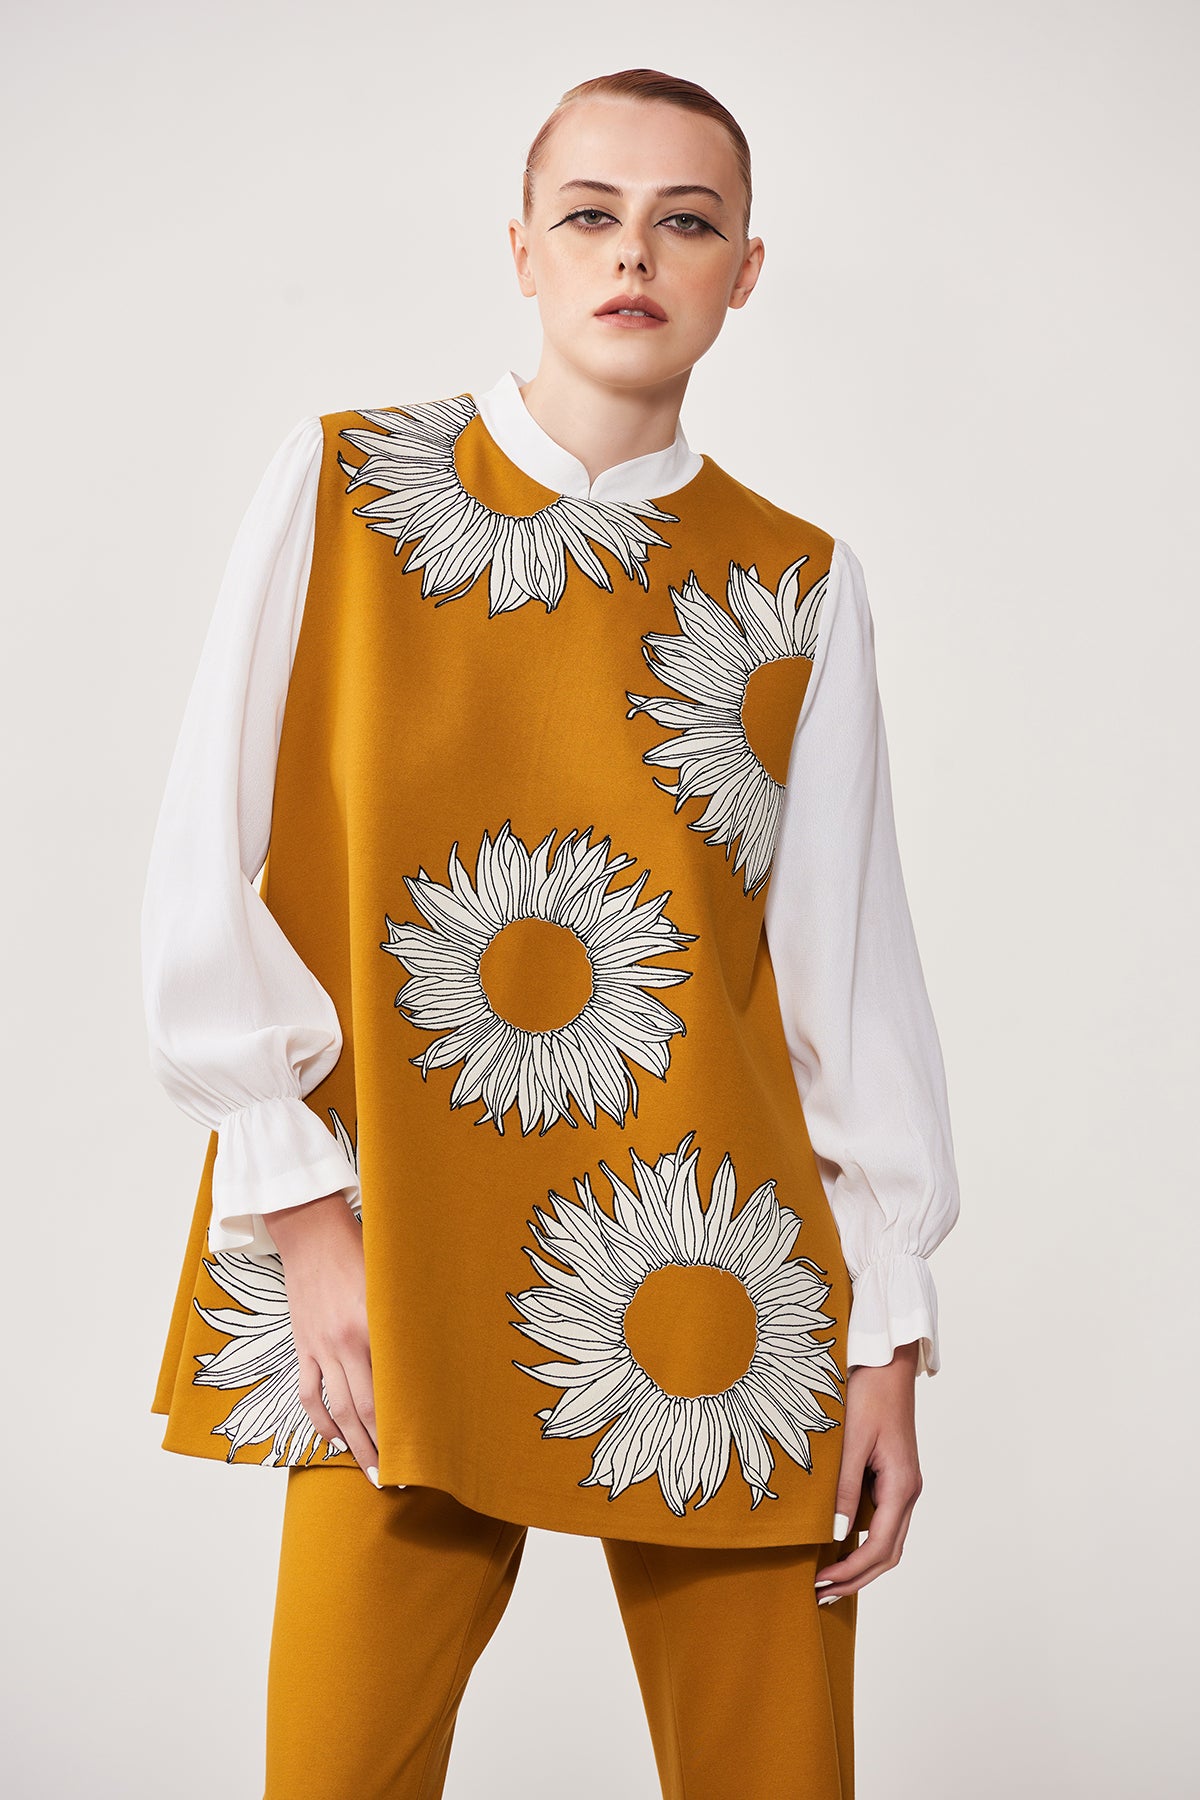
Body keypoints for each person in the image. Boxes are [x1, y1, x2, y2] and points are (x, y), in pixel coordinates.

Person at [142, 66, 960, 1800]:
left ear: (745, 270)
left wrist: (886, 1336)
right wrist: (303, 1216)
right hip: (392, 1248)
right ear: (522, 247)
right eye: (591, 213)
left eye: (687, 221)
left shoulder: (796, 584)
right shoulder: (346, 487)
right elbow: (207, 864)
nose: (633, 254)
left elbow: (845, 982)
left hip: (717, 1268)